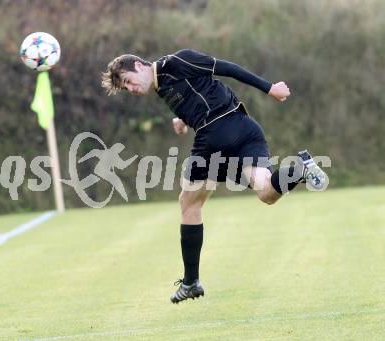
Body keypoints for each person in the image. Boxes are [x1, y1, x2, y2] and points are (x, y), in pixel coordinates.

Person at [101, 49, 328, 304]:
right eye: (125, 88)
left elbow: (226, 67)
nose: (131, 89)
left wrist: (269, 88)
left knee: (189, 204)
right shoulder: (162, 84)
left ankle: (191, 282)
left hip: (214, 134)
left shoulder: (176, 62)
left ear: (140, 65)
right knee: (266, 192)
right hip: (246, 128)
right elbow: (200, 94)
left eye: (129, 81)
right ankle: (299, 169)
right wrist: (183, 119)